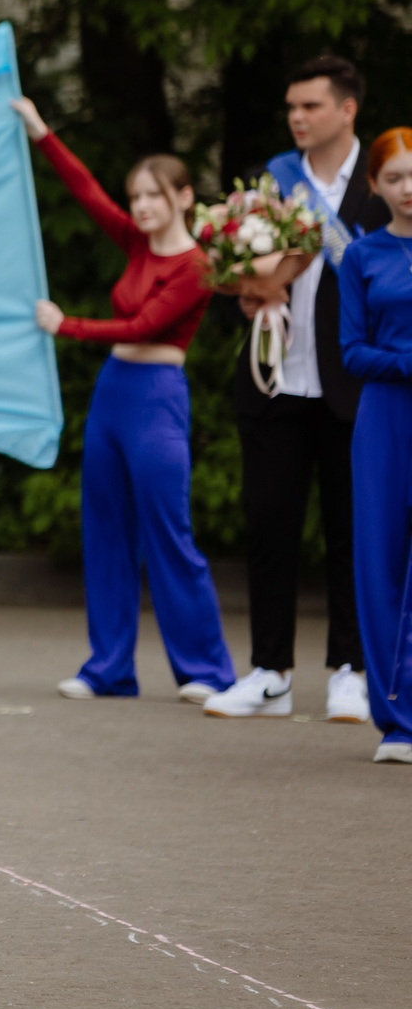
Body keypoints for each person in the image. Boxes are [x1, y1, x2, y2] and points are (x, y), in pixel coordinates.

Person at [17, 97, 237, 703]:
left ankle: (207, 672)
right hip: (113, 395)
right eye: (135, 196)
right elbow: (87, 193)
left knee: (170, 532)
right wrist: (42, 134)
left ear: (183, 198)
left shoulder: (198, 265)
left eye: (153, 196)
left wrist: (68, 326)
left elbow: (144, 326)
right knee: (106, 529)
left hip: (158, 398)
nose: (139, 207)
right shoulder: (138, 244)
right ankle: (109, 669)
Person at [204, 56, 382, 721]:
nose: (298, 118)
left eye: (310, 106)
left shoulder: (383, 181)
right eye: (291, 108)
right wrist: (248, 298)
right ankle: (270, 670)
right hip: (275, 379)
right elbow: (225, 274)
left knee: (351, 531)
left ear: (346, 109)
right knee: (269, 525)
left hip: (352, 386)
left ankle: (351, 670)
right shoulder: (270, 182)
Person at [337, 128, 412, 760]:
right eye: (395, 179)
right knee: (380, 563)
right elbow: (352, 351)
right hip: (385, 418)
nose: (408, 190)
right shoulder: (361, 257)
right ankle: (396, 719)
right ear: (374, 187)